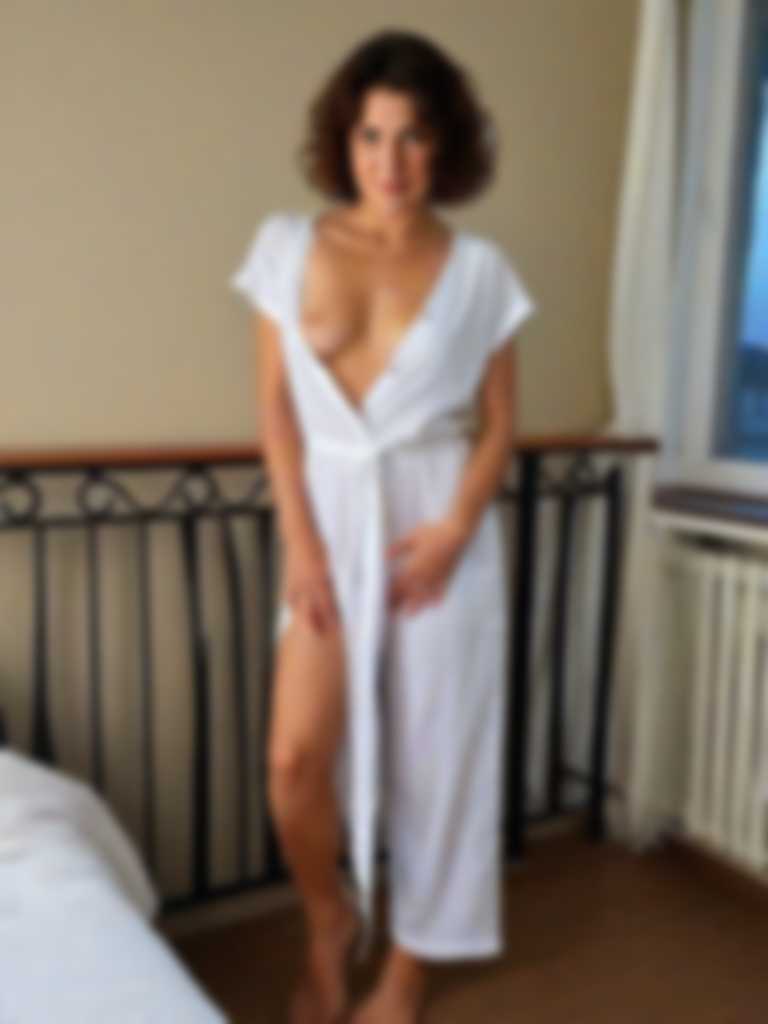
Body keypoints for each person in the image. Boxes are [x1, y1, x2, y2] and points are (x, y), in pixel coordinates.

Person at [229, 28, 537, 1024]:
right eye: (371, 136)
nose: (390, 161)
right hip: (328, 521)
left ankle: (407, 966)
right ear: (343, 140)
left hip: (437, 528)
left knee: (441, 757)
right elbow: (276, 408)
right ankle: (330, 921)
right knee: (294, 758)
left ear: (445, 145)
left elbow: (500, 425)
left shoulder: (481, 270)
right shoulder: (287, 248)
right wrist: (301, 543)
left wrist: (455, 529)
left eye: (413, 137)